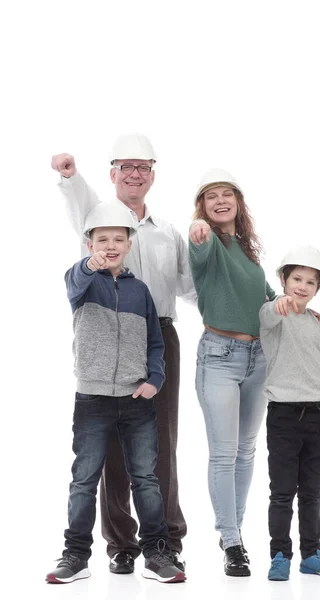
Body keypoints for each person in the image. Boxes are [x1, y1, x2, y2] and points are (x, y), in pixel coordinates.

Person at [51, 134, 195, 574]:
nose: (135, 174)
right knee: (108, 450)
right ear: (112, 173)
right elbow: (80, 201)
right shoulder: (96, 216)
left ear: (152, 174)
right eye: (125, 167)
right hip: (103, 348)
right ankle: (120, 542)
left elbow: (192, 288)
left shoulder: (168, 232)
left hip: (158, 338)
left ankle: (165, 540)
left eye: (143, 167)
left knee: (160, 444)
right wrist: (70, 175)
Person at [188, 168, 277, 577]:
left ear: (238, 203)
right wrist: (198, 231)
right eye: (212, 197)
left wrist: (300, 310)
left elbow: (262, 294)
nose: (221, 201)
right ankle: (233, 541)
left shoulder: (244, 246)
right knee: (224, 454)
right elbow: (198, 247)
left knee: (246, 451)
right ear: (203, 206)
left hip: (258, 358)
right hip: (220, 357)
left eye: (228, 195)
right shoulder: (207, 240)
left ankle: (232, 532)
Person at [259, 246, 320, 582]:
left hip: (318, 416)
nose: (303, 286)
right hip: (283, 416)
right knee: (282, 492)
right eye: (297, 278)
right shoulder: (272, 313)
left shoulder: (317, 325)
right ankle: (280, 554)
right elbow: (267, 316)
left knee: (313, 492)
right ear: (283, 279)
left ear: (317, 289)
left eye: (311, 282)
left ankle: (311, 553)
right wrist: (277, 305)